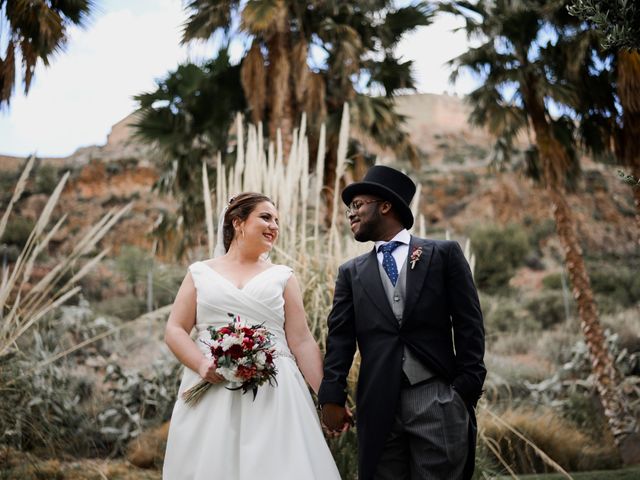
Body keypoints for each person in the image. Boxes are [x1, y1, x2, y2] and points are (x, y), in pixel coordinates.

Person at [319, 165, 486, 480]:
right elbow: (340, 339)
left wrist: (464, 391)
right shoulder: (350, 272)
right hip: (377, 403)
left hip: (437, 398)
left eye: (357, 205)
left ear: (385, 206)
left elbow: (469, 325)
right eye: (348, 209)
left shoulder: (443, 253)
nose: (350, 214)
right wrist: (332, 396)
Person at [163, 192, 341, 480]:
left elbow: (302, 341)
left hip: (275, 391)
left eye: (277, 221)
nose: (274, 226)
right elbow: (174, 329)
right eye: (266, 217)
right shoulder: (200, 273)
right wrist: (200, 364)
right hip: (213, 385)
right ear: (238, 222)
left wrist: (328, 398)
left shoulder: (282, 276)